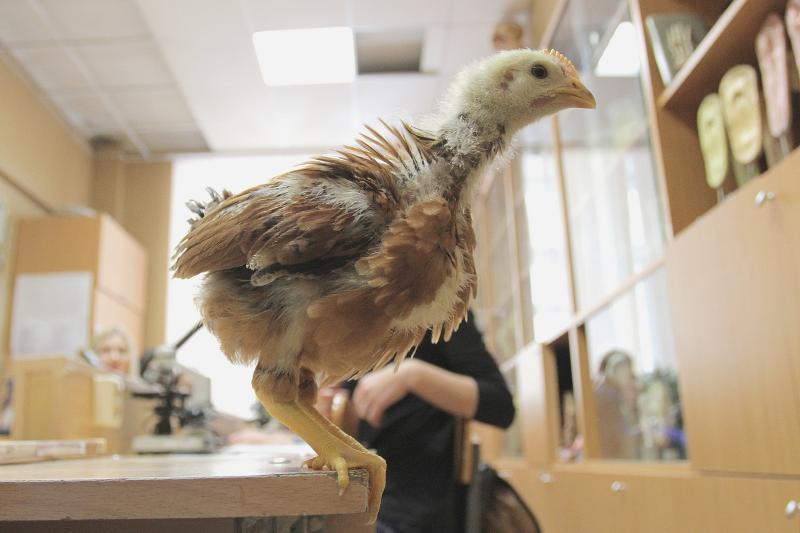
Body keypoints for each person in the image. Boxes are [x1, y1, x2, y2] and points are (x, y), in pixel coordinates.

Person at [331, 312, 515, 533]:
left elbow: (500, 405)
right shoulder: (356, 318)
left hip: (412, 510)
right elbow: (355, 413)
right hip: (367, 495)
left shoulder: (442, 310)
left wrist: (411, 374)